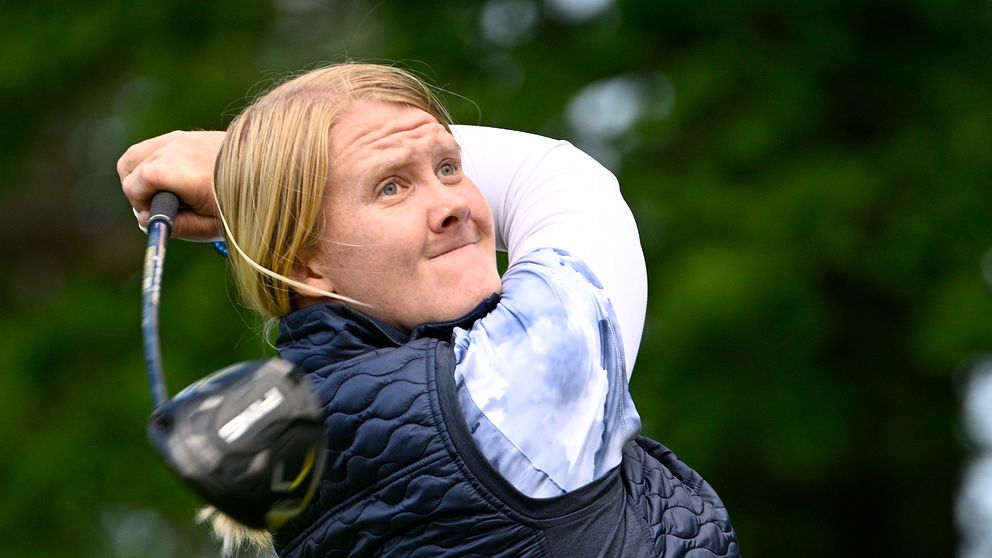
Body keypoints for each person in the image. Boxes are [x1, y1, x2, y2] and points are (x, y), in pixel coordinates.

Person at [119, 62, 739, 557]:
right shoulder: (502, 390)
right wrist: (242, 162)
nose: (454, 205)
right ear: (305, 262)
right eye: (391, 186)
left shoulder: (305, 427)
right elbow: (562, 180)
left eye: (449, 166)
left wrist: (267, 176)